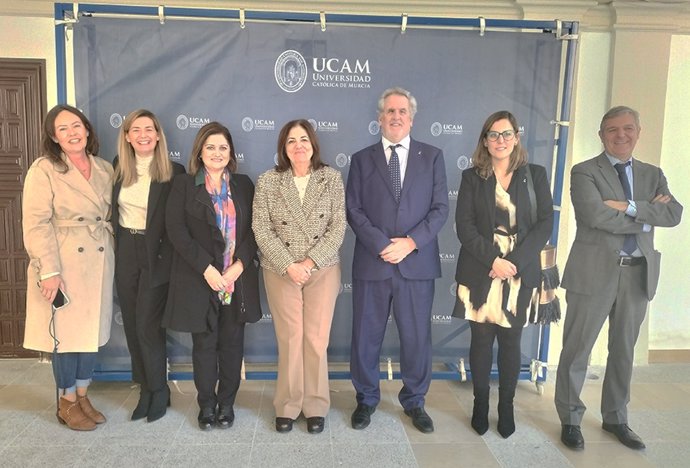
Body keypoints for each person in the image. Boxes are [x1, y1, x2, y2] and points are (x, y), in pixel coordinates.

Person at [555, 106, 682, 451]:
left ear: (638, 132)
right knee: (577, 350)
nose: (620, 135)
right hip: (592, 274)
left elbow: (673, 213)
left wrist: (627, 207)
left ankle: (615, 417)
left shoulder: (653, 174)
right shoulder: (585, 171)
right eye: (612, 130)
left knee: (623, 350)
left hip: (637, 275)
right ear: (601, 135)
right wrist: (645, 214)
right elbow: (593, 215)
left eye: (627, 128)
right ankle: (569, 418)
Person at [346, 87, 449, 433]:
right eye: (389, 111)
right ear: (379, 118)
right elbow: (354, 210)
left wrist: (410, 243)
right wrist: (381, 244)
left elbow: (440, 210)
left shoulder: (432, 156)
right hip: (373, 263)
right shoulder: (361, 160)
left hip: (415, 263)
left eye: (402, 111)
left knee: (417, 336)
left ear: (411, 117)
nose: (396, 116)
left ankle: (415, 401)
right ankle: (366, 399)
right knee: (365, 335)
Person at [453, 111, 554, 438]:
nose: (500, 140)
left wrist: (515, 261)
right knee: (480, 341)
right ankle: (480, 403)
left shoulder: (535, 175)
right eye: (493, 135)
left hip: (521, 271)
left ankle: (506, 406)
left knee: (511, 342)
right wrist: (494, 261)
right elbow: (464, 228)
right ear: (485, 140)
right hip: (482, 268)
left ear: (516, 137)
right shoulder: (472, 178)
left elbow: (544, 225)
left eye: (506, 134)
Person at [163, 122, 261, 431]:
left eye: (222, 147)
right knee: (204, 345)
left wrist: (237, 267)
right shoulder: (183, 185)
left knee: (232, 345)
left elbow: (255, 230)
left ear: (230, 153)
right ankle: (206, 404)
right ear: (199, 152)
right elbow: (176, 232)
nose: (217, 153)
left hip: (236, 280)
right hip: (200, 280)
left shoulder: (244, 185)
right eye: (210, 147)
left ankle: (227, 404)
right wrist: (207, 269)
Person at [22, 104, 114, 431]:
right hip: (62, 259)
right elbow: (35, 223)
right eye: (63, 129)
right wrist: (48, 270)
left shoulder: (105, 168)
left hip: (99, 257)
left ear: (87, 130)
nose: (72, 133)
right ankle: (66, 401)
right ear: (53, 137)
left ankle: (84, 395)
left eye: (77, 126)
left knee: (88, 334)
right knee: (65, 334)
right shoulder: (44, 169)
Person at [252, 119, 345, 434]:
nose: (298, 146)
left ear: (313, 144)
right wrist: (289, 264)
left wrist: (310, 261)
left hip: (322, 268)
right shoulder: (268, 181)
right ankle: (288, 405)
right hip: (281, 270)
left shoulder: (330, 178)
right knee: (290, 339)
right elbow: (261, 228)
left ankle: (316, 404)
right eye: (291, 140)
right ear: (283, 147)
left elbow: (338, 226)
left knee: (316, 340)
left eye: (304, 139)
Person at [112, 109, 185, 422]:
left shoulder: (173, 171)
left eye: (149, 129)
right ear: (127, 136)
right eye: (136, 129)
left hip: (157, 254)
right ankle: (145, 387)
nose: (143, 135)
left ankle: (159, 389)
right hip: (126, 249)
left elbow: (177, 224)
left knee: (147, 325)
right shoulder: (118, 168)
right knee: (131, 323)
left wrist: (166, 259)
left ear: (158, 135)